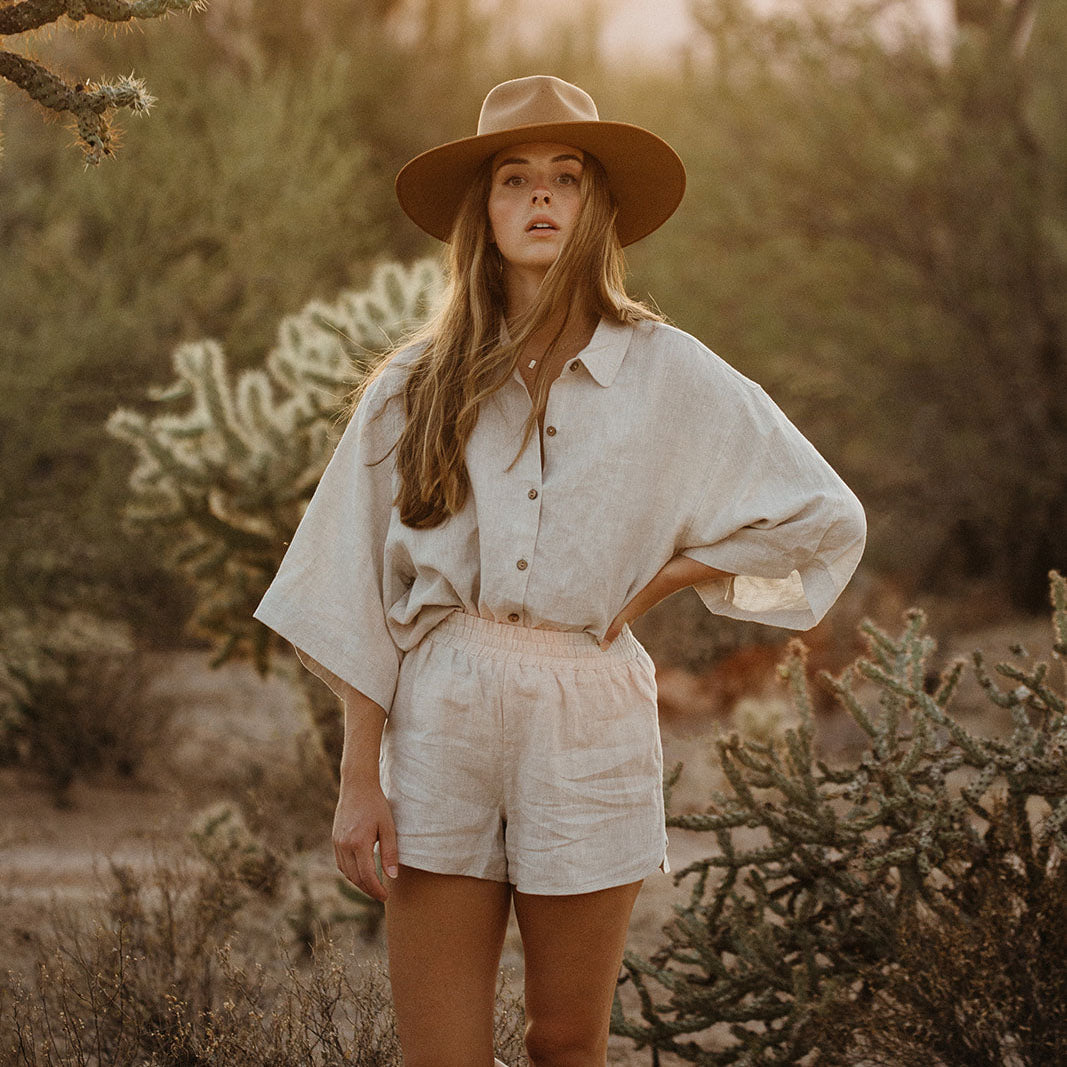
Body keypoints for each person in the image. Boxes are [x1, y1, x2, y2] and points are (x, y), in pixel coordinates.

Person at [254, 75, 866, 1067]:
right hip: (441, 707)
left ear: (597, 208)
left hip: (588, 708)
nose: (539, 198)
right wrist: (356, 773)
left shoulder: (672, 373)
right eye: (512, 179)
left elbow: (823, 514)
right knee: (439, 1054)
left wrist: (669, 574)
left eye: (565, 179)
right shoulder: (413, 384)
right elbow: (355, 585)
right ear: (482, 210)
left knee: (565, 1041)